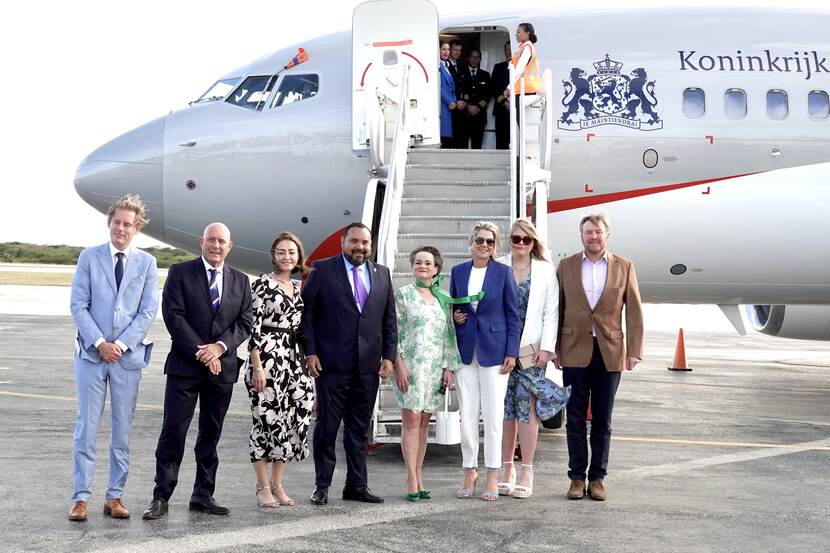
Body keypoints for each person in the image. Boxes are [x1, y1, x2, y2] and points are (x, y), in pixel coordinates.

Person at [143, 223, 253, 520]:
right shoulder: (180, 273)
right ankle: (161, 496)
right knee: (173, 432)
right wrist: (202, 352)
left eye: (222, 241)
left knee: (211, 434)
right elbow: (173, 316)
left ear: (230, 246)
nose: (216, 245)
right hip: (185, 367)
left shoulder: (241, 281)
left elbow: (244, 322)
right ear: (201, 241)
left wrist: (218, 348)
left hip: (222, 368)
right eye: (212, 240)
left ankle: (203, 495)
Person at [68, 195, 159, 521]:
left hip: (126, 357)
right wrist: (99, 342)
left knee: (122, 430)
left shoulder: (147, 263)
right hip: (91, 357)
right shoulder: (88, 258)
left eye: (128, 224)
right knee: (86, 428)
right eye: (117, 222)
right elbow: (78, 305)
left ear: (136, 229)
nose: (121, 228)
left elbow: (148, 310)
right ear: (110, 223)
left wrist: (119, 345)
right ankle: (80, 498)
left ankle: (114, 496)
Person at [301, 222, 397, 506]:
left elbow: (389, 320)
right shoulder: (321, 269)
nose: (360, 247)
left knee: (358, 431)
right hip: (331, 365)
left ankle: (356, 485)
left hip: (367, 368)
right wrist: (310, 353)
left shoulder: (382, 274)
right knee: (327, 429)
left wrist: (389, 356)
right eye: (355, 241)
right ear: (343, 242)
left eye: (365, 243)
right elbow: (308, 316)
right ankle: (322, 486)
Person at [555, 214, 644, 501]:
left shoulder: (624, 266)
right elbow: (557, 309)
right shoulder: (566, 266)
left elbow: (634, 311)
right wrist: (555, 348)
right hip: (573, 350)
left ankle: (598, 479)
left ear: (607, 235)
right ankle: (577, 478)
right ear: (581, 236)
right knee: (576, 419)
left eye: (598, 232)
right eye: (588, 232)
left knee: (603, 420)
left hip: (610, 351)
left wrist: (634, 351)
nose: (593, 237)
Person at [497, 219, 570, 499]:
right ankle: (506, 469)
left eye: (526, 240)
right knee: (505, 412)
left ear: (534, 243)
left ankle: (526, 468)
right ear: (510, 240)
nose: (521, 244)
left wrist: (547, 349)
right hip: (501, 349)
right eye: (516, 239)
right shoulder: (499, 265)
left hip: (530, 350)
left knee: (527, 410)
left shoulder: (545, 271)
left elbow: (552, 313)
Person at [451, 221, 520, 501]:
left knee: (492, 416)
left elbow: (513, 315)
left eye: (490, 242)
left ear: (495, 246)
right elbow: (455, 306)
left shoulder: (503, 273)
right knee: (467, 414)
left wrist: (512, 352)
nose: (484, 245)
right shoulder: (458, 272)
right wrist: (455, 316)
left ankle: (493, 473)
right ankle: (470, 470)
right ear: (471, 242)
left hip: (495, 350)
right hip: (466, 351)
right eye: (479, 240)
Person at [245, 232, 314, 508]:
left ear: (299, 256)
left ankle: (278, 484)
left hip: (293, 359)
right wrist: (258, 367)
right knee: (265, 420)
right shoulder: (262, 284)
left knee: (290, 420)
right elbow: (253, 328)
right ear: (273, 255)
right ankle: (262, 487)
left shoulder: (299, 287)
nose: (287, 257)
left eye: (292, 252)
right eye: (282, 252)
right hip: (267, 359)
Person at [393, 246, 460, 501]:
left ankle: (420, 477)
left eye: (428, 263)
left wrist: (448, 368)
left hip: (433, 369)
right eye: (418, 262)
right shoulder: (403, 295)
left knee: (423, 423)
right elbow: (393, 332)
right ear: (412, 267)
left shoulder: (443, 298)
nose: (423, 266)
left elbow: (448, 335)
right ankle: (411, 478)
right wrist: (398, 364)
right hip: (409, 368)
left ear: (436, 269)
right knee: (410, 421)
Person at [506, 23, 542, 128]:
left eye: (518, 32)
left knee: (523, 125)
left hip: (525, 90)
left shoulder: (527, 48)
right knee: (521, 124)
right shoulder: (523, 47)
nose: (516, 35)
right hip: (521, 89)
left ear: (527, 33)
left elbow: (519, 69)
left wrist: (509, 87)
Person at [459, 49, 491, 149]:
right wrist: (468, 106)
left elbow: (488, 95)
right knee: (462, 146)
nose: (474, 59)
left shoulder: (485, 75)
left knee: (477, 146)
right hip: (464, 116)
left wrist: (477, 107)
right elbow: (458, 92)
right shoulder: (461, 73)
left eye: (477, 57)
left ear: (480, 59)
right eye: (473, 57)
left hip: (479, 116)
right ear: (469, 58)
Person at [490, 41, 512, 149]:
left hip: (517, 110)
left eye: (511, 49)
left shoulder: (521, 68)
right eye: (507, 49)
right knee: (501, 141)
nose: (509, 51)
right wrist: (505, 102)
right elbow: (494, 88)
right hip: (501, 110)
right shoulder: (498, 67)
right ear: (505, 51)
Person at [448, 39, 468, 148]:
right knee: (452, 138)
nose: (457, 52)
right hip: (451, 106)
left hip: (462, 106)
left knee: (462, 137)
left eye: (459, 50)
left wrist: (464, 101)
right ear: (450, 50)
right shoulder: (446, 66)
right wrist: (456, 101)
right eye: (455, 49)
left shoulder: (462, 66)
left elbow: (465, 86)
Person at [439, 42, 457, 148]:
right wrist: (449, 101)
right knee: (444, 137)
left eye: (448, 49)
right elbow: (438, 87)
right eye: (443, 49)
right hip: (443, 105)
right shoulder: (438, 65)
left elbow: (452, 86)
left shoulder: (446, 65)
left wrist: (454, 100)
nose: (446, 52)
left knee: (449, 138)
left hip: (450, 106)